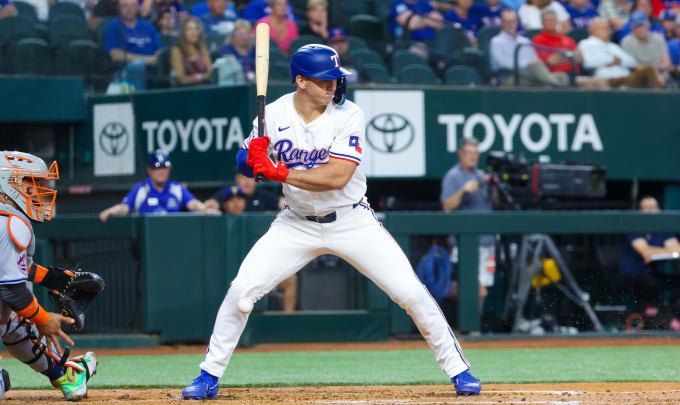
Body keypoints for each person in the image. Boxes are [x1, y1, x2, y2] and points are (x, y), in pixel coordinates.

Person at [181, 44, 481, 400]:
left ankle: (460, 370)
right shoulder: (274, 114)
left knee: (411, 293)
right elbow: (246, 162)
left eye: (336, 80)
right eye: (325, 81)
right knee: (241, 291)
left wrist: (278, 171)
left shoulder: (348, 114)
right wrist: (252, 158)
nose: (333, 86)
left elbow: (337, 176)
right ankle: (208, 375)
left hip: (351, 219)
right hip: (296, 223)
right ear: (301, 81)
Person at [0, 152, 98, 402]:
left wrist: (53, 279)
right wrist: (44, 318)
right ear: (6, 184)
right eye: (29, 182)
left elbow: (11, 267)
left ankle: (67, 374)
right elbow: (12, 290)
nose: (37, 190)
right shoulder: (8, 222)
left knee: (19, 325)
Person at [219, 185, 299, 312]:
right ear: (224, 204)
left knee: (290, 280)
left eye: (239, 199)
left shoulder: (257, 221)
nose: (236, 203)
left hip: (261, 271)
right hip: (230, 275)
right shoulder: (218, 222)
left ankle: (287, 323)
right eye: (231, 200)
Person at [441, 137, 495, 305]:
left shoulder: (482, 176)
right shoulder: (453, 176)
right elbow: (447, 207)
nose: (472, 157)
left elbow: (495, 203)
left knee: (483, 289)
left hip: (487, 241)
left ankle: (473, 329)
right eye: (468, 153)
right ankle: (471, 329)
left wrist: (495, 188)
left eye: (475, 153)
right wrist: (463, 191)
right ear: (460, 154)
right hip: (464, 243)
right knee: (478, 290)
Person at [99, 150, 217, 221]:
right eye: (157, 168)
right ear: (149, 170)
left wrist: (204, 209)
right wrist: (112, 211)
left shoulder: (176, 188)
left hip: (174, 237)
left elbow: (192, 203)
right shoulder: (141, 189)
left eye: (164, 167)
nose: (161, 171)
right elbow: (125, 207)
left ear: (169, 169)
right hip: (148, 244)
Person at [618, 196, 680, 317]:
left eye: (654, 207)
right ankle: (648, 321)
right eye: (647, 208)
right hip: (632, 274)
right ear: (640, 212)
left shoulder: (663, 229)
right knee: (651, 283)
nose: (651, 211)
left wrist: (654, 251)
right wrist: (664, 250)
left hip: (651, 274)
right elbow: (646, 252)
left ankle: (671, 317)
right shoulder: (635, 227)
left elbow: (677, 248)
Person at [491, 8, 570, 86]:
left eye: (513, 21)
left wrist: (532, 64)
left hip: (529, 75)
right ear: (501, 23)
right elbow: (504, 64)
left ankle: (553, 87)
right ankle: (555, 87)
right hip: (508, 78)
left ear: (517, 22)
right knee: (537, 68)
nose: (511, 24)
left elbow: (534, 60)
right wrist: (528, 64)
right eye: (507, 21)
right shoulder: (496, 41)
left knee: (562, 76)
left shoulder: (525, 41)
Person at [579, 17, 663, 87]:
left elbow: (631, 61)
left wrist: (618, 61)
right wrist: (611, 59)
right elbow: (587, 62)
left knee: (649, 69)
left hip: (626, 77)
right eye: (605, 28)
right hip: (607, 79)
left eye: (609, 29)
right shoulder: (586, 43)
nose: (609, 31)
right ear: (593, 30)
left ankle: (661, 98)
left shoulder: (612, 46)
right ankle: (661, 101)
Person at [532, 10, 608, 87]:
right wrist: (569, 55)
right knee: (593, 82)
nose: (552, 22)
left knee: (600, 80)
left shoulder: (567, 39)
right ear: (542, 22)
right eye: (548, 20)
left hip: (575, 74)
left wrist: (562, 55)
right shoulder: (538, 40)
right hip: (556, 76)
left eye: (554, 19)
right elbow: (550, 61)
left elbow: (580, 58)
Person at [104, 0, 163, 91]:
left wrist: (158, 58)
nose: (129, 9)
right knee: (137, 66)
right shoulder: (113, 26)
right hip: (125, 69)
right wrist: (146, 60)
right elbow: (116, 55)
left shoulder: (148, 26)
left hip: (152, 68)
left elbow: (159, 51)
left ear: (137, 7)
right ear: (119, 7)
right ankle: (139, 102)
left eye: (132, 5)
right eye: (125, 6)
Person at [621, 10, 672, 84]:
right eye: (637, 26)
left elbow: (666, 61)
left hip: (661, 73)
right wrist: (652, 73)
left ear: (648, 25)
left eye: (642, 25)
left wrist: (660, 69)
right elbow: (633, 65)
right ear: (632, 28)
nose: (640, 29)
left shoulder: (658, 38)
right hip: (640, 76)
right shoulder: (626, 42)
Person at [205, 172, 283, 212]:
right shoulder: (229, 192)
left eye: (250, 178)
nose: (247, 182)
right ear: (237, 179)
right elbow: (212, 203)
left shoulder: (262, 195)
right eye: (243, 178)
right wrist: (205, 208)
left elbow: (281, 202)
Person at [170, 17, 213, 85]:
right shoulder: (177, 50)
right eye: (189, 29)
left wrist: (196, 77)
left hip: (206, 88)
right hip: (187, 91)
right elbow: (182, 79)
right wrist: (201, 77)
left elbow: (211, 73)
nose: (194, 32)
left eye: (196, 28)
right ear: (183, 32)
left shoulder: (202, 48)